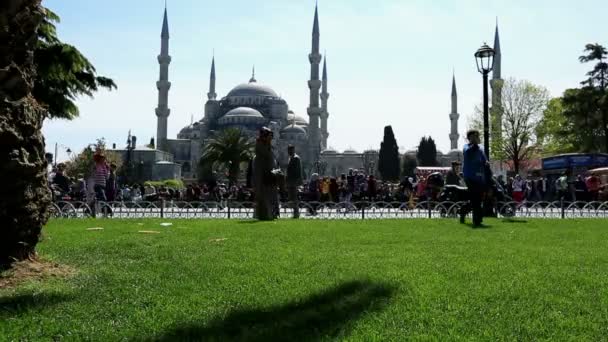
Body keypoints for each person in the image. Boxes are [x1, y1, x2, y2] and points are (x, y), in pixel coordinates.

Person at [461, 130, 488, 227]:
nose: (476, 138)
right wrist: (474, 145)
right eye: (474, 136)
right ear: (469, 138)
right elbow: (467, 153)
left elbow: (484, 159)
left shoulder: (481, 149)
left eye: (477, 136)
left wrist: (486, 163)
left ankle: (463, 210)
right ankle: (477, 220)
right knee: (475, 198)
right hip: (469, 176)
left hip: (479, 177)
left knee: (477, 199)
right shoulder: (466, 147)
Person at [253, 127, 278, 220]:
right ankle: (263, 215)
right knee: (263, 195)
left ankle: (269, 214)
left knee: (269, 195)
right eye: (269, 136)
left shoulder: (267, 145)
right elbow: (266, 156)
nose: (271, 138)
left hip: (268, 174)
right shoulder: (261, 145)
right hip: (263, 174)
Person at [286, 145, 303, 218]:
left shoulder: (296, 158)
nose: (288, 152)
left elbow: (297, 171)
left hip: (294, 181)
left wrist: (296, 181)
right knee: (292, 197)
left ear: (292, 150)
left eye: (289, 150)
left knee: (294, 197)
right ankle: (295, 213)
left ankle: (296, 213)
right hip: (291, 181)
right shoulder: (291, 158)